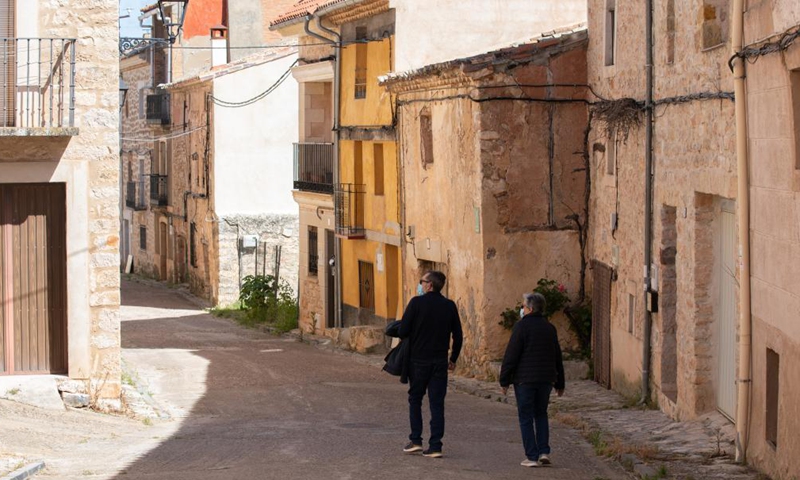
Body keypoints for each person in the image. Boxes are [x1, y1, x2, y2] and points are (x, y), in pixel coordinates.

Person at [397, 270, 463, 458]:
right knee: (437, 403)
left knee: (415, 399)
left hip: (418, 360)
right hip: (440, 361)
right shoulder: (449, 306)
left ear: (429, 285)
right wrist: (453, 358)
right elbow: (458, 335)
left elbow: (403, 330)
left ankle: (416, 440)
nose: (421, 284)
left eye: (422, 281)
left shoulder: (416, 303)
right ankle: (435, 445)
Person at [499, 292, 565, 468]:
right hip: (546, 379)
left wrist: (504, 380)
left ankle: (532, 456)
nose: (521, 309)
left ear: (529, 308)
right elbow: (557, 356)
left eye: (523, 306)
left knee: (526, 416)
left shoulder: (521, 327)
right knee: (541, 414)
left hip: (525, 380)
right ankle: (544, 451)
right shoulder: (549, 328)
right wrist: (560, 383)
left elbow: (511, 355)